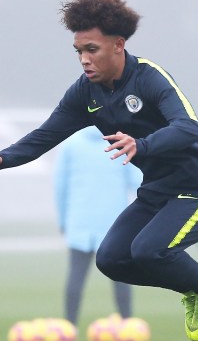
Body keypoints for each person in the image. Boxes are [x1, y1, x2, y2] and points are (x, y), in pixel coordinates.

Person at [0, 0, 198, 341]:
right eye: (79, 52)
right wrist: (3, 158)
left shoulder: (149, 77)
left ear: (118, 45)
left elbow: (189, 128)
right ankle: (197, 287)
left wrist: (142, 144)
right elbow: (45, 135)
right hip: (157, 192)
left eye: (91, 50)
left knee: (147, 250)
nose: (84, 60)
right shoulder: (85, 93)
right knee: (111, 260)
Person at [53, 125, 141, 326]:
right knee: (121, 275)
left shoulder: (71, 144)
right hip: (114, 222)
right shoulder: (120, 142)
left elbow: (60, 186)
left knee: (76, 275)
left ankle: (69, 327)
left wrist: (63, 220)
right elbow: (138, 183)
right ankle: (127, 325)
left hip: (79, 221)